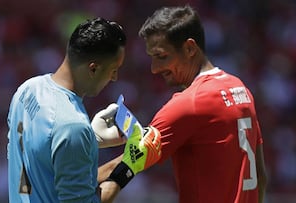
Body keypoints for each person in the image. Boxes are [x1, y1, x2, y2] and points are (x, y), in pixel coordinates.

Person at [94, 5, 267, 203]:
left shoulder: (190, 103)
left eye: (161, 57)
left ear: (190, 48)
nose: (154, 69)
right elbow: (261, 178)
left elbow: (132, 161)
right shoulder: (241, 90)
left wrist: (70, 182)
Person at [6, 17, 161, 203]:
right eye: (114, 69)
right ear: (93, 69)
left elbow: (45, 166)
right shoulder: (72, 127)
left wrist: (90, 140)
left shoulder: (27, 89)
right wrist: (129, 166)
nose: (115, 77)